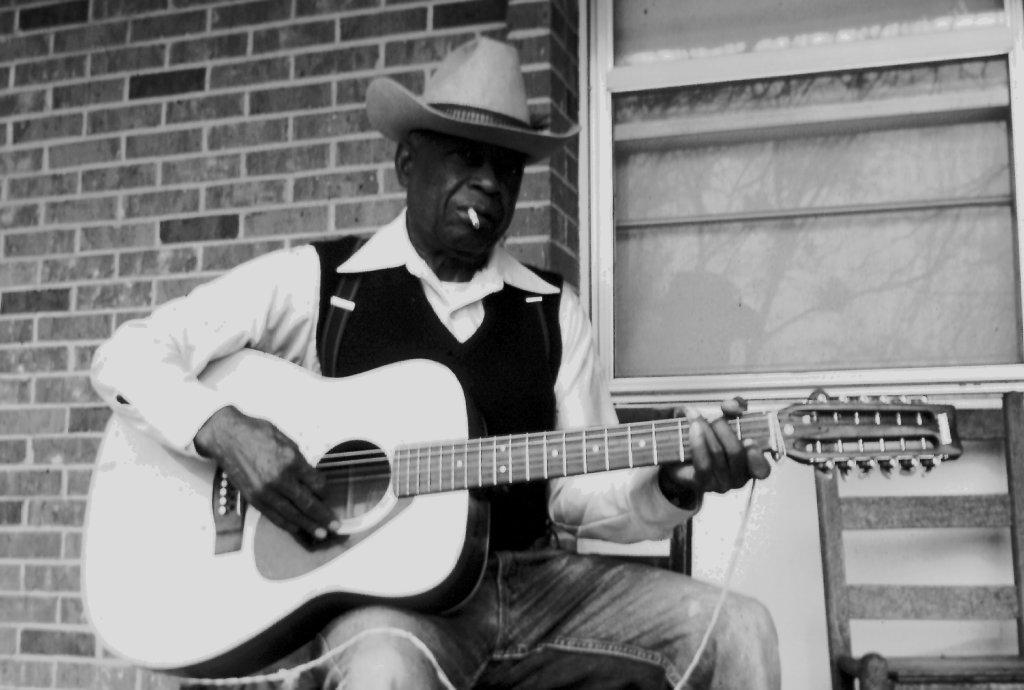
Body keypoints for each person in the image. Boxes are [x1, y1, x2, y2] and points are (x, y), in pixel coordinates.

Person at [91, 37, 780, 690]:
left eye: (506, 169)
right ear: (407, 163)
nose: (488, 184)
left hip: (542, 586)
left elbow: (578, 499)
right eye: (465, 157)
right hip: (392, 604)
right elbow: (127, 356)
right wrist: (226, 429)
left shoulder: (552, 310)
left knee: (740, 628)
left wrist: (673, 481)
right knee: (384, 667)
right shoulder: (323, 283)